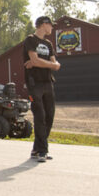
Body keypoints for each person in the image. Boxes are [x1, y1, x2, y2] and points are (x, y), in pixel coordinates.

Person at [23, 16, 61, 162]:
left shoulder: (48, 44)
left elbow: (55, 64)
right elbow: (35, 60)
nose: (52, 27)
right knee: (40, 115)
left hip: (48, 82)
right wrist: (41, 63)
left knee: (49, 116)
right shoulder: (30, 40)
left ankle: (36, 149)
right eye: (51, 25)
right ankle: (42, 151)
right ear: (44, 24)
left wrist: (40, 62)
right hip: (34, 83)